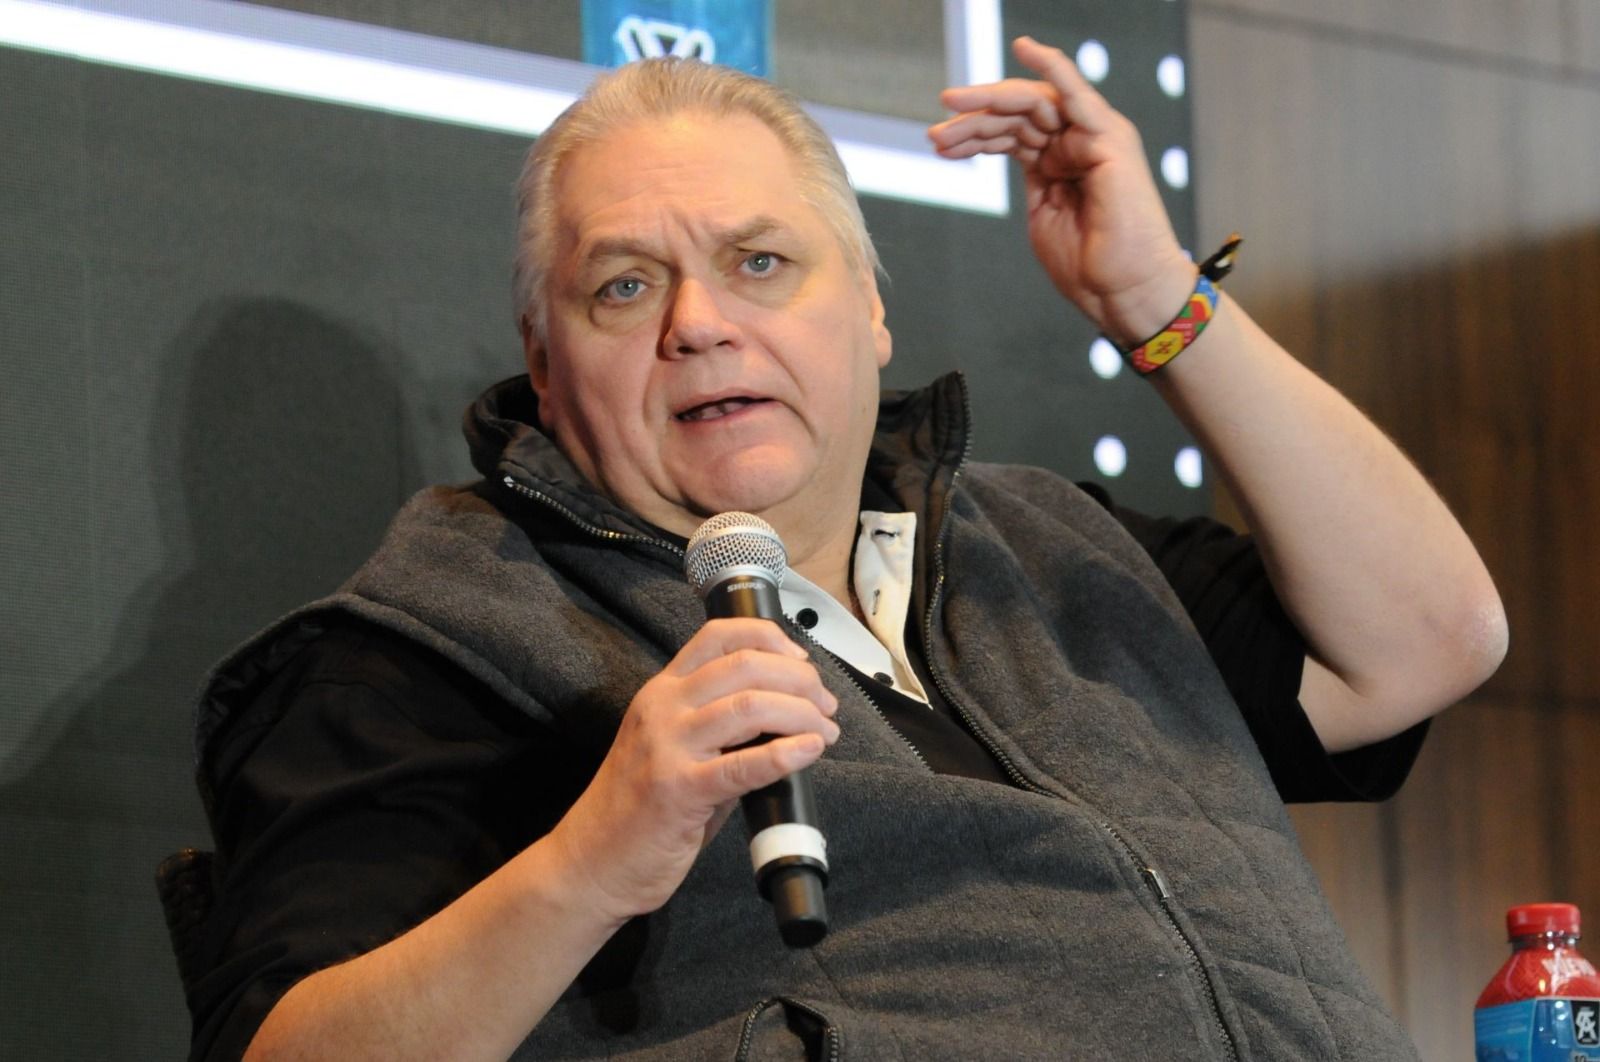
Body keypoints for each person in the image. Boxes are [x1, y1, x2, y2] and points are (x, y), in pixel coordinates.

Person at [186, 38, 1506, 1061]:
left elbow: (1432, 642)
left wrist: (1154, 294)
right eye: (624, 286)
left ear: (872, 310)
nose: (700, 323)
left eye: (761, 262)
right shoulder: (431, 642)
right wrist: (592, 859)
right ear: (544, 360)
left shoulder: (1055, 549)